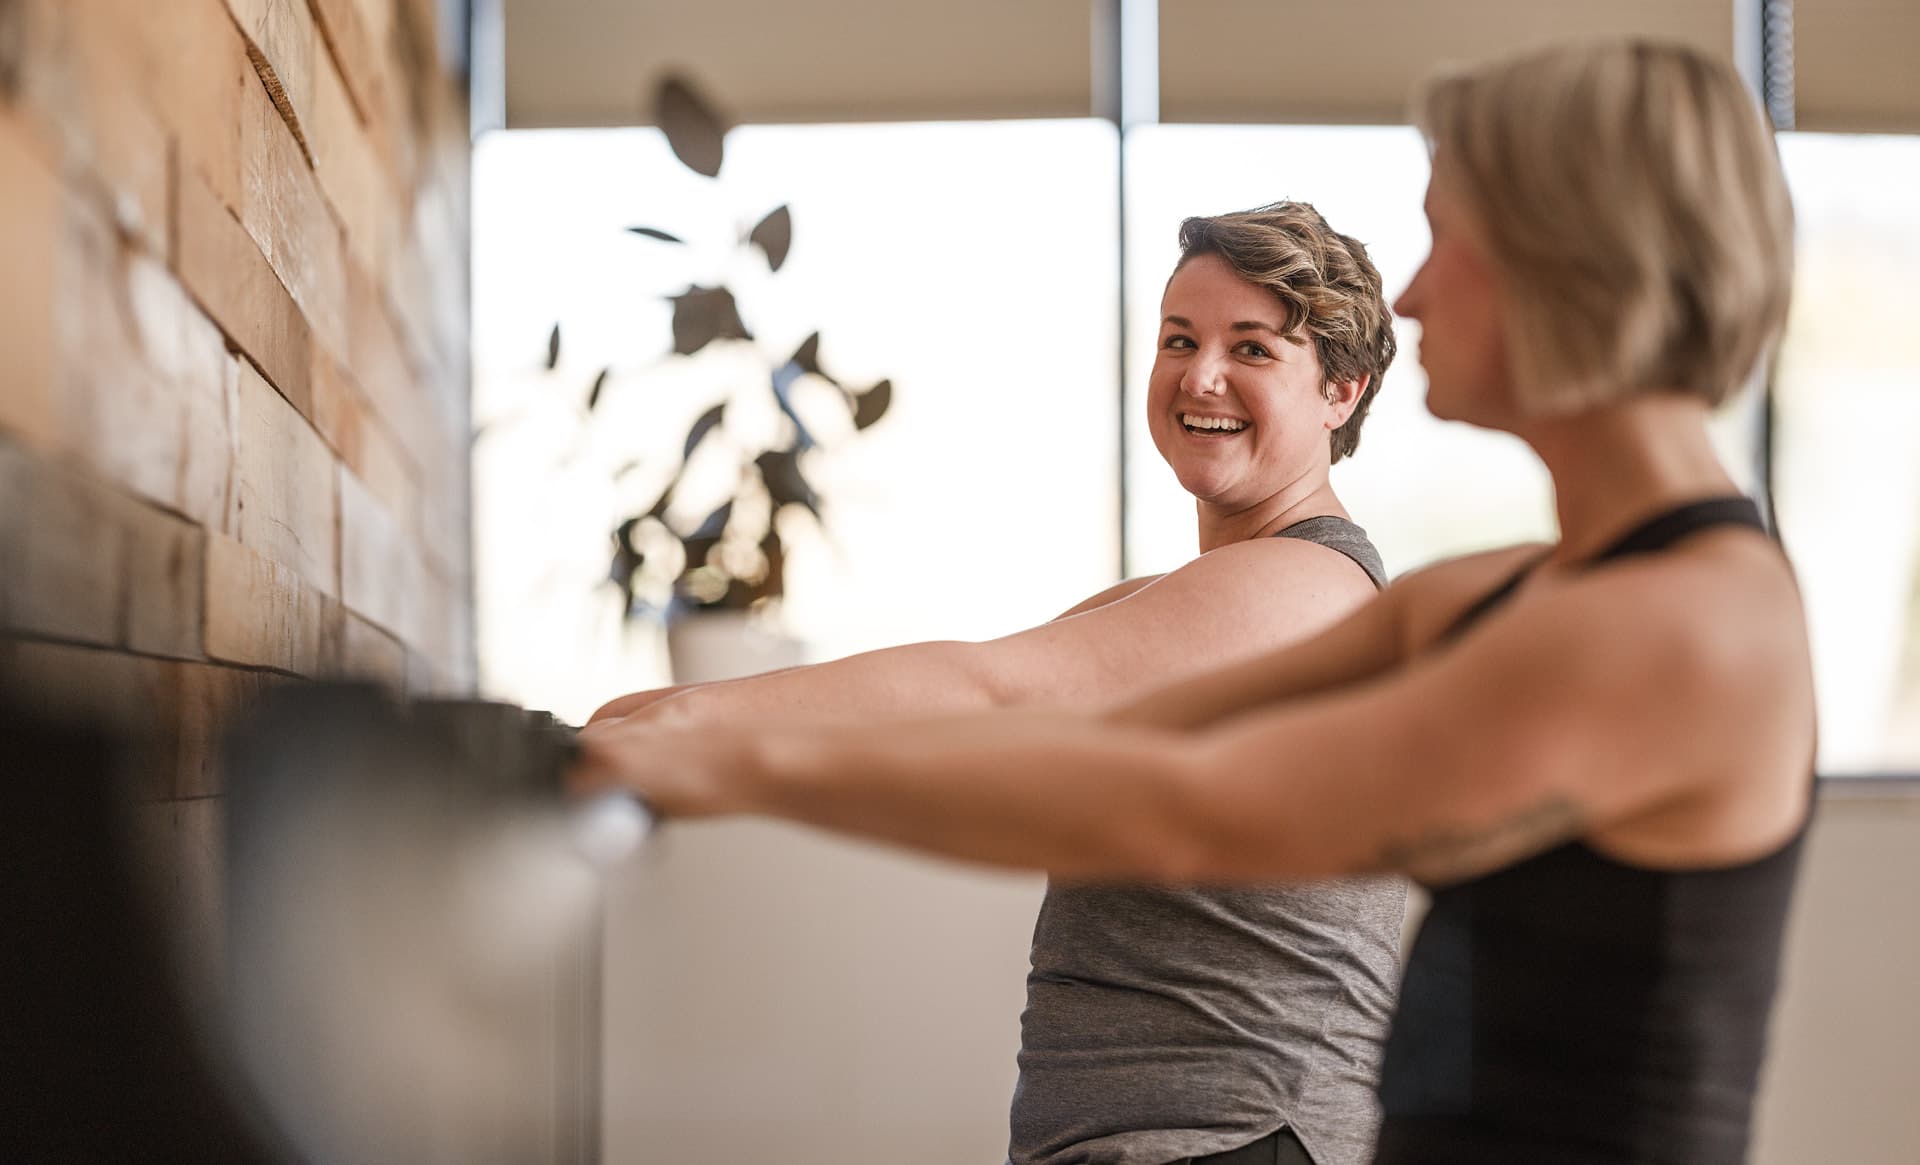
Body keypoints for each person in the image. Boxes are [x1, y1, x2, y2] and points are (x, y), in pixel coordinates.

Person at [579, 38, 1815, 1165]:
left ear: (1570, 257)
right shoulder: (1501, 595)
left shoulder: (1681, 628)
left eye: (1453, 239)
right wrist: (705, 724)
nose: (1421, 296)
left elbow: (1186, 811)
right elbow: (1100, 731)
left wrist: (735, 762)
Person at [588, 202, 1404, 1165]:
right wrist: (662, 725)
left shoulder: (1306, 585)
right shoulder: (1179, 599)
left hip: (1232, 1140)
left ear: (1340, 391)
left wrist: (689, 719)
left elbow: (996, 693)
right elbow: (960, 710)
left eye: (1254, 349)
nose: (1201, 375)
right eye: (1179, 339)